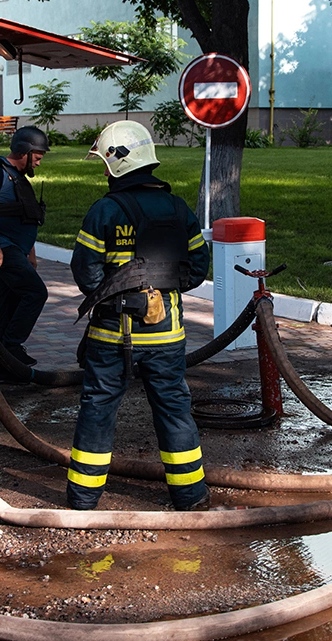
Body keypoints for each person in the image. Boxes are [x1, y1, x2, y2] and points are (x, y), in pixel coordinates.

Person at [68, 120, 211, 511]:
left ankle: (82, 501)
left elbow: (86, 275)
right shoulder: (178, 209)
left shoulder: (104, 211)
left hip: (112, 337)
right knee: (174, 411)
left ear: (116, 163)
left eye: (104, 161)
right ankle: (191, 497)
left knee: (98, 410)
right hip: (167, 337)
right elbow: (197, 269)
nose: (103, 169)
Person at [0, 126, 49, 380]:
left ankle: (2, 366)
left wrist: (31, 252)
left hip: (16, 248)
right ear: (24, 152)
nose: (38, 163)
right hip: (2, 248)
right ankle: (12, 347)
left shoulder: (19, 178)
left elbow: (26, 217)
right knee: (36, 293)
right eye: (37, 157)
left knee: (9, 304)